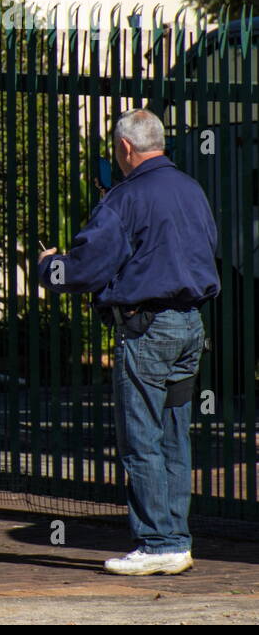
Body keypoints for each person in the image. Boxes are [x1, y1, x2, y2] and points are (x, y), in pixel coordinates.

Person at [37, 108, 219, 576]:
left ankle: (158, 543)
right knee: (175, 436)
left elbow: (86, 266)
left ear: (124, 148)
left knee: (142, 438)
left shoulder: (125, 198)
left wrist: (49, 266)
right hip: (189, 326)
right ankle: (175, 539)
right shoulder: (191, 190)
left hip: (147, 329)